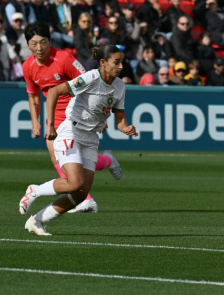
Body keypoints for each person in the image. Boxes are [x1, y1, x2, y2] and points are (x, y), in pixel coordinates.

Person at [20, 45, 138, 235]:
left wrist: (126, 128)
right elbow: (53, 92)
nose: (121, 67)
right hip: (71, 131)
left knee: (82, 193)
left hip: (91, 138)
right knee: (74, 183)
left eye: (121, 62)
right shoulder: (91, 77)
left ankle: (37, 220)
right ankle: (35, 190)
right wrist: (50, 126)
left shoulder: (119, 86)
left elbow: (120, 121)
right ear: (103, 63)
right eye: (116, 62)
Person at [21, 23, 122, 215]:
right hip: (54, 114)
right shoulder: (28, 67)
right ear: (28, 45)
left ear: (50, 41)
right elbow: (33, 94)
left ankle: (87, 194)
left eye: (43, 42)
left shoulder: (64, 58)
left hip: (75, 113)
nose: (39, 48)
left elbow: (90, 82)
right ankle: (96, 178)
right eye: (34, 44)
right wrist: (35, 121)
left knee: (74, 161)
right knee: (57, 158)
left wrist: (99, 114)